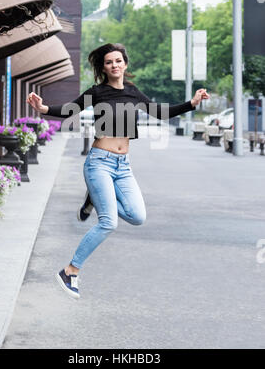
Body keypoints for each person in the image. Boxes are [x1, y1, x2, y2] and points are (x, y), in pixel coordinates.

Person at [26, 43, 210, 299]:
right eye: (109, 62)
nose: (114, 65)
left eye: (118, 61)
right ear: (104, 67)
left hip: (123, 166)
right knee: (108, 222)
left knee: (137, 216)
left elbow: (161, 112)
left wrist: (192, 102)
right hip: (99, 161)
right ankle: (70, 271)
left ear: (125, 64)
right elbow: (71, 109)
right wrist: (44, 109)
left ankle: (97, 198)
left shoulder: (134, 93)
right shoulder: (97, 92)